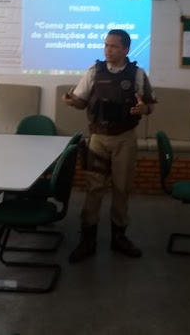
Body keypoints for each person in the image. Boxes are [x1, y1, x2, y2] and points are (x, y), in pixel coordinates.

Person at [62, 29, 155, 263]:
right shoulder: (94, 71)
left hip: (125, 138)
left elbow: (149, 104)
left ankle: (119, 237)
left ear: (125, 49)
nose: (108, 49)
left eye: (113, 46)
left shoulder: (137, 74)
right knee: (94, 188)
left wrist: (144, 109)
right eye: (106, 45)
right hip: (98, 139)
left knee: (122, 189)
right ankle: (88, 239)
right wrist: (72, 101)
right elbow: (81, 102)